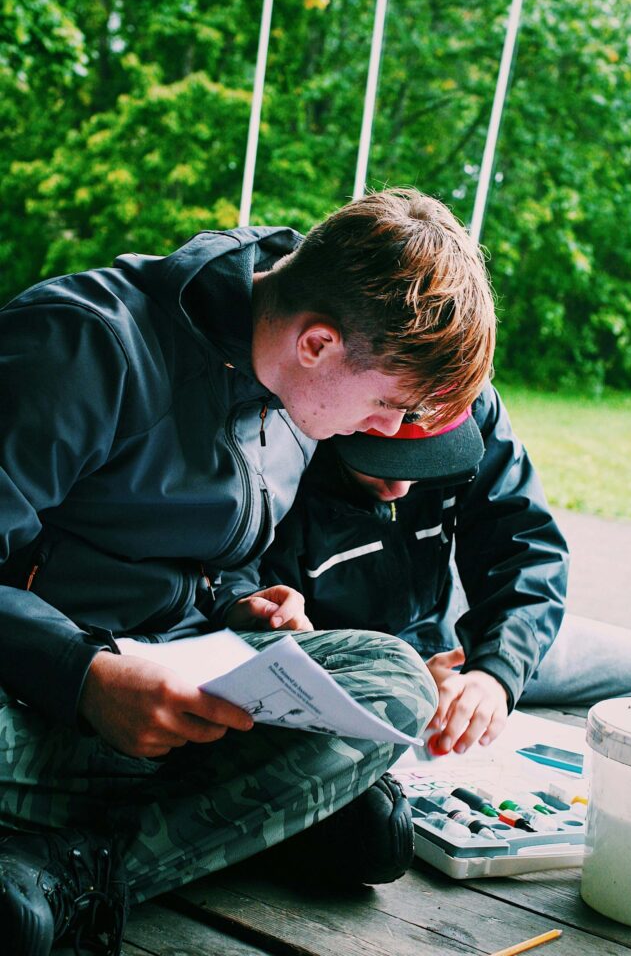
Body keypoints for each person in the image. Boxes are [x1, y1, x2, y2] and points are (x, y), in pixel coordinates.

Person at [0, 188, 497, 954]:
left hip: (180, 694)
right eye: (393, 406)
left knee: (392, 678)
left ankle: (80, 862)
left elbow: (208, 563)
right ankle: (255, 817)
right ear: (318, 345)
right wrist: (84, 676)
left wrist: (240, 604)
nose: (391, 435)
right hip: (35, 692)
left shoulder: (294, 387)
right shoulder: (82, 344)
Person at [253, 384, 631, 756]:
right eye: (378, 459)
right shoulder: (285, 429)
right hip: (362, 672)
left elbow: (525, 552)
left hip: (467, 640)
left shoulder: (472, 405)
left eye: (425, 461)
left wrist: (495, 674)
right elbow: (262, 628)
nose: (399, 486)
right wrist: (403, 682)